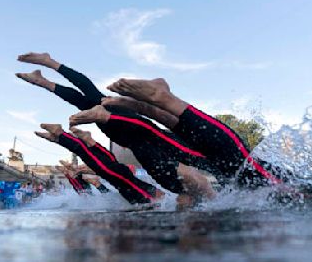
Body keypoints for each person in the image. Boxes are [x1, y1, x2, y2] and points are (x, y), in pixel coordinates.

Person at [16, 52, 220, 194]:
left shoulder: (178, 174)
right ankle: (47, 73)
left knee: (91, 99)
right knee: (93, 99)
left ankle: (45, 75)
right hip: (129, 131)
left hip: (129, 134)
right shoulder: (190, 162)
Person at [97, 77, 287, 188]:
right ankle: (164, 99)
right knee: (242, 164)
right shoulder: (294, 188)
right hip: (266, 181)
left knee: (232, 165)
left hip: (225, 174)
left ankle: (146, 104)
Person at [35, 124, 214, 207]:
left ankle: (68, 139)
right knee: (107, 169)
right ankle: (63, 136)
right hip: (136, 187)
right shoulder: (167, 197)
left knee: (106, 169)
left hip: (132, 188)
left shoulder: (171, 198)